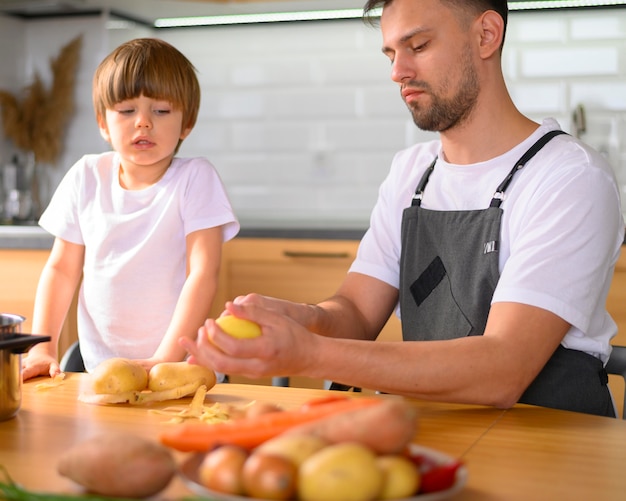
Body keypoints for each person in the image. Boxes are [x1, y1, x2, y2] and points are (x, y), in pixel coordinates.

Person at [182, 0, 625, 416]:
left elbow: (503, 369)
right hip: (435, 433)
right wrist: (306, 319)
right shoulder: (412, 173)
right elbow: (355, 313)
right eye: (390, 53)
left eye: (418, 46)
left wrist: (309, 352)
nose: (398, 71)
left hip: (553, 451)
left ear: (487, 35)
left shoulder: (570, 176)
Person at [22, 38, 239, 379]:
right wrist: (42, 348)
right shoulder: (86, 176)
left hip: (178, 368)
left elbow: (203, 274)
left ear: (187, 123)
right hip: (100, 368)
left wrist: (165, 359)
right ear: (103, 124)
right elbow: (61, 270)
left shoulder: (196, 179)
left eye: (161, 110)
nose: (143, 122)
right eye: (126, 111)